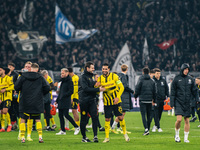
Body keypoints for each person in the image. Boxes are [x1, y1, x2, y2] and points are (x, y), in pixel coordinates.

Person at [14, 63, 50, 143]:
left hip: (24, 101)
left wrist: (22, 90)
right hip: (37, 101)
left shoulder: (23, 76)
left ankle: (23, 137)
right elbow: (47, 88)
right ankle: (40, 137)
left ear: (31, 68)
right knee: (37, 119)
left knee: (23, 119)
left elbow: (16, 87)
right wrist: (40, 93)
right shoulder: (40, 77)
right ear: (37, 69)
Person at [97, 63, 130, 143]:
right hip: (107, 103)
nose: (104, 70)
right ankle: (107, 137)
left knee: (120, 117)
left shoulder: (114, 76)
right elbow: (97, 88)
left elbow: (121, 87)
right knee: (107, 119)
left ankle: (125, 134)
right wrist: (97, 87)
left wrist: (117, 97)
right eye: (103, 69)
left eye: (106, 69)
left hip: (116, 101)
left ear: (109, 69)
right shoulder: (100, 78)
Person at [170, 63, 199, 143]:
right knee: (179, 120)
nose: (187, 71)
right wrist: (172, 103)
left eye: (188, 70)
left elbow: (194, 90)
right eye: (185, 69)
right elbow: (172, 92)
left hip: (187, 102)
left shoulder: (190, 79)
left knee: (187, 120)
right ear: (182, 69)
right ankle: (177, 135)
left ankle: (186, 138)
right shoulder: (176, 79)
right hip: (178, 102)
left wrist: (197, 99)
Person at [79, 61, 105, 142]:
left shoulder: (92, 76)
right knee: (83, 119)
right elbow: (85, 88)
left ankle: (95, 136)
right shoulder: (83, 77)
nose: (93, 69)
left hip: (92, 100)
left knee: (94, 117)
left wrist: (96, 84)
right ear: (87, 68)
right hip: (84, 101)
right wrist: (98, 89)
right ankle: (84, 137)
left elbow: (91, 85)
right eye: (92, 68)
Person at [55, 68, 80, 135]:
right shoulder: (62, 81)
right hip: (61, 100)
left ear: (67, 73)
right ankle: (63, 130)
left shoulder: (69, 81)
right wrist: (57, 100)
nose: (61, 74)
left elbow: (71, 91)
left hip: (66, 100)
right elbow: (60, 92)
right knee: (60, 115)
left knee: (66, 115)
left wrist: (64, 95)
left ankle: (77, 127)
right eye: (61, 73)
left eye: (63, 73)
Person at [111, 64, 134, 134]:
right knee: (122, 113)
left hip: (118, 95)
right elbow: (125, 86)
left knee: (120, 113)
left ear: (121, 69)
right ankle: (114, 127)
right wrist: (132, 91)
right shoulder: (124, 76)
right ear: (127, 69)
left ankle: (119, 128)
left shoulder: (118, 76)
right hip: (123, 96)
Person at [134, 67, 156, 136]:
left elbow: (137, 89)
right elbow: (155, 92)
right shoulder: (152, 81)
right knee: (149, 115)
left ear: (143, 72)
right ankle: (148, 128)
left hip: (142, 100)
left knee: (143, 115)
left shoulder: (141, 80)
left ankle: (146, 129)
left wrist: (135, 96)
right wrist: (154, 100)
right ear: (149, 73)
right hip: (149, 100)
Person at [151, 68, 169, 132]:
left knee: (160, 113)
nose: (158, 75)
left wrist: (168, 96)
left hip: (162, 99)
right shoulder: (152, 80)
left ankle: (155, 125)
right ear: (154, 74)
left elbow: (166, 89)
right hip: (155, 99)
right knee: (156, 113)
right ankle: (158, 127)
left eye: (159, 73)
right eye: (157, 73)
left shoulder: (163, 80)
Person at [0, 67, 14, 132]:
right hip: (1, 99)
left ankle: (9, 125)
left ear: (4, 71)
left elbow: (12, 87)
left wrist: (5, 89)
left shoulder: (8, 78)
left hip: (7, 98)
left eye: (0, 70)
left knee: (5, 111)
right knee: (2, 112)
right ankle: (2, 127)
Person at [8, 62, 19, 130]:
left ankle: (16, 123)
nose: (9, 68)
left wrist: (16, 90)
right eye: (8, 66)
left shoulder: (16, 74)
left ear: (13, 68)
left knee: (16, 108)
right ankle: (12, 123)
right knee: (10, 109)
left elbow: (18, 83)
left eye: (10, 67)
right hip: (8, 94)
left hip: (14, 94)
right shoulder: (7, 75)